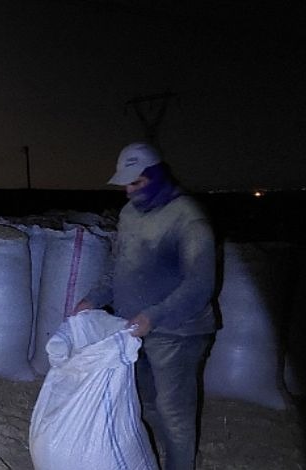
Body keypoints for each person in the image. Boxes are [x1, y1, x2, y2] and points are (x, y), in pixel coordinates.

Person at [72, 142, 218, 470]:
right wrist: (93, 298)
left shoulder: (187, 219)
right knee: (147, 404)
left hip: (178, 333)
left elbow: (199, 285)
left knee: (174, 412)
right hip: (134, 330)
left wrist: (153, 316)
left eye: (136, 182)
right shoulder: (129, 215)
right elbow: (118, 265)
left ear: (156, 177)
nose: (127, 190)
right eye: (125, 183)